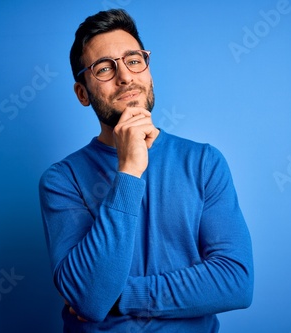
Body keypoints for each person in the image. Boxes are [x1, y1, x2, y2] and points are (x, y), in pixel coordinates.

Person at [39, 8, 253, 332]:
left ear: (148, 71)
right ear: (82, 93)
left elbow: (235, 281)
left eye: (134, 60)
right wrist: (128, 171)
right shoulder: (61, 180)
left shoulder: (203, 163)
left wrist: (121, 297)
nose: (125, 76)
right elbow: (90, 296)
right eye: (104, 68)